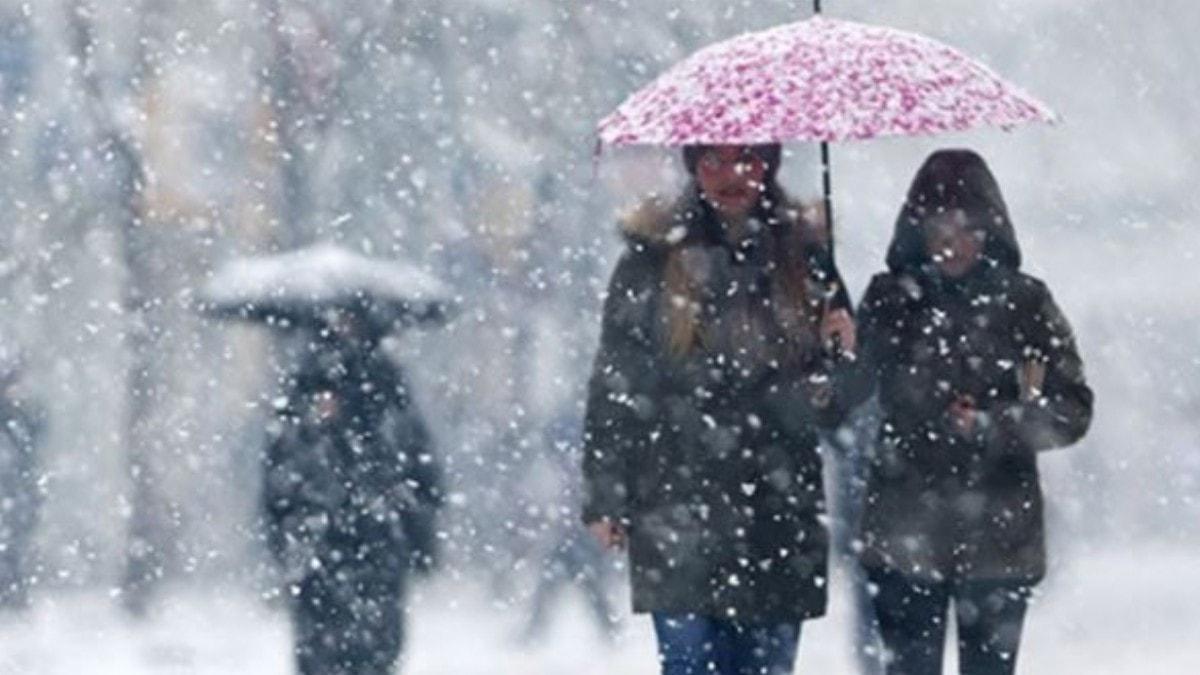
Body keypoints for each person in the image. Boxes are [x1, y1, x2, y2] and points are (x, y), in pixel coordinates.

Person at [581, 143, 857, 675]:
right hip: (677, 500)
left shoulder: (806, 258)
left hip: (777, 510)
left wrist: (840, 353)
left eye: (747, 160)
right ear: (693, 167)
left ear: (768, 166)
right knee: (688, 661)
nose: (731, 176)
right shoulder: (652, 256)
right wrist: (606, 494)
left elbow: (835, 409)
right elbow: (616, 380)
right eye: (713, 161)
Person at [843, 149, 1093, 674]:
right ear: (919, 231)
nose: (953, 242)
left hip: (996, 538)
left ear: (990, 231)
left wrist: (995, 423)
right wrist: (836, 348)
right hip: (905, 534)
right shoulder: (890, 301)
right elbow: (841, 396)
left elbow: (1071, 410)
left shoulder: (1025, 303)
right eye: (940, 228)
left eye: (967, 227)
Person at [262, 307, 443, 675]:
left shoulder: (384, 388)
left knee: (371, 645)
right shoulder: (307, 384)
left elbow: (416, 465)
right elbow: (281, 471)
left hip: (368, 539)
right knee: (329, 645)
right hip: (327, 542)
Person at [0, 357, 43, 611]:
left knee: (14, 547)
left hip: (17, 492)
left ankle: (13, 593)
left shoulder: (23, 416)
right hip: (14, 491)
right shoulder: (15, 417)